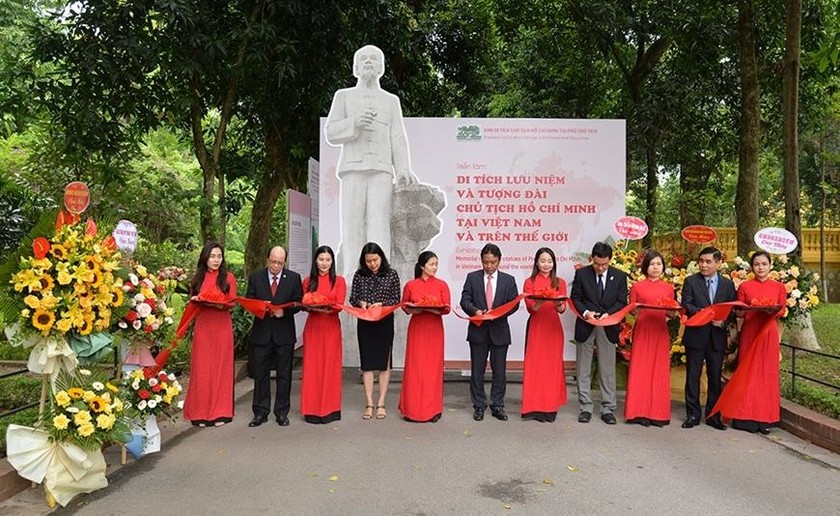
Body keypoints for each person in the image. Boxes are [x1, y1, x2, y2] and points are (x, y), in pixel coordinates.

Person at [325, 44, 417, 278]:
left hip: (381, 169)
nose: (368, 61)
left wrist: (403, 168)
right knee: (352, 225)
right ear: (355, 67)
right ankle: (350, 278)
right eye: (363, 58)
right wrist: (354, 123)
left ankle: (381, 277)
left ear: (382, 67)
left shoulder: (391, 100)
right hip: (352, 168)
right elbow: (331, 132)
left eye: (374, 58)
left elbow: (398, 137)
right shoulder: (343, 96)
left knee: (379, 225)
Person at [724, 251, 787, 434]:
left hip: (768, 333)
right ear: (752, 267)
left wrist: (770, 311)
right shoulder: (745, 286)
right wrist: (743, 311)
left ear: (770, 266)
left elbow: (781, 310)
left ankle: (765, 418)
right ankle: (744, 417)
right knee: (747, 372)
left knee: (766, 375)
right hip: (750, 332)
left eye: (764, 264)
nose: (760, 267)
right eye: (757, 264)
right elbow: (740, 310)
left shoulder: (778, 287)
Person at [459, 243, 520, 422]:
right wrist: (475, 311)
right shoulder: (472, 277)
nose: (489, 266)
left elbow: (514, 303)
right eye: (486, 262)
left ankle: (497, 405)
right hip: (478, 330)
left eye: (493, 262)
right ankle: (479, 405)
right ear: (481, 261)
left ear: (499, 260)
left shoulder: (509, 280)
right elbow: (464, 300)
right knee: (477, 370)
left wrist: (497, 314)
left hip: (499, 330)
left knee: (499, 371)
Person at [570, 241, 628, 425]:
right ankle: (585, 407)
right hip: (586, 324)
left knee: (607, 368)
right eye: (596, 264)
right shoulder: (581, 274)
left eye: (604, 264)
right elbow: (576, 298)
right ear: (591, 259)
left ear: (610, 260)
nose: (600, 268)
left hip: (608, 325)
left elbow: (621, 301)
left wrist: (608, 314)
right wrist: (587, 313)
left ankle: (608, 408)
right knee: (583, 367)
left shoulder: (619, 276)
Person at [245, 246, 303, 427]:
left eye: (280, 262)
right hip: (262, 332)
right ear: (267, 259)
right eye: (273, 261)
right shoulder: (256, 277)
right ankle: (260, 412)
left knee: (284, 374)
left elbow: (299, 302)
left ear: (285, 262)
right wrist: (262, 307)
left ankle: (281, 412)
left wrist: (284, 312)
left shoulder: (293, 278)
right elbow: (249, 301)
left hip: (284, 333)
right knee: (260, 374)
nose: (276, 265)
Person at [680, 246, 737, 430]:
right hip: (696, 336)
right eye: (701, 262)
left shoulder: (727, 284)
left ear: (718, 263)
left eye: (708, 262)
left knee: (714, 378)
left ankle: (713, 415)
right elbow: (687, 305)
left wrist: (723, 321)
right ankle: (693, 415)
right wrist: (708, 314)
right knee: (693, 377)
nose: (704, 265)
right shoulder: (690, 281)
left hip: (716, 337)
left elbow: (732, 310)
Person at [183, 241, 236, 427]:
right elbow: (192, 300)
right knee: (202, 369)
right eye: (212, 256)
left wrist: (219, 303)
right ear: (205, 258)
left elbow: (232, 302)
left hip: (222, 326)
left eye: (219, 256)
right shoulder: (197, 278)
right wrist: (198, 300)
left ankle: (220, 412)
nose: (216, 260)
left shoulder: (228, 277)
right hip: (203, 326)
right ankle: (200, 413)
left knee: (221, 368)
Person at [349, 242, 401, 420]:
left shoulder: (391, 274)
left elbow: (396, 298)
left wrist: (383, 305)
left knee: (384, 363)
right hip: (365, 322)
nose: (372, 264)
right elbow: (353, 297)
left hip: (384, 322)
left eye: (375, 260)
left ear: (381, 258)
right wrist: (361, 303)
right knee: (368, 363)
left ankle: (381, 403)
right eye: (368, 261)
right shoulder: (359, 275)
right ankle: (369, 403)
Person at [624, 250, 676, 427]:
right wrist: (636, 308)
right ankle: (637, 412)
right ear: (646, 266)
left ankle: (658, 413)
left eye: (659, 264)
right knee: (641, 368)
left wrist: (674, 311)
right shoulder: (637, 287)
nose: (655, 267)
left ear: (663, 267)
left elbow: (671, 312)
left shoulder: (669, 288)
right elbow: (631, 309)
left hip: (660, 330)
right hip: (643, 329)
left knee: (659, 369)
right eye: (652, 264)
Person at [399, 251, 451, 423]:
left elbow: (446, 307)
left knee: (433, 369)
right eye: (431, 264)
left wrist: (431, 308)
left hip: (434, 330)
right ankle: (411, 409)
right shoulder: (411, 285)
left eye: (436, 264)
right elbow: (404, 306)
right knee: (415, 368)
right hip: (418, 329)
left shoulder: (442, 285)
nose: (434, 267)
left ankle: (433, 410)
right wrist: (415, 308)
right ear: (422, 266)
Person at [300, 245, 346, 424]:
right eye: (321, 260)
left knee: (330, 368)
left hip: (331, 328)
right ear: (315, 261)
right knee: (313, 368)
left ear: (332, 261)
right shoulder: (307, 281)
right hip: (314, 328)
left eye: (328, 260)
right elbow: (304, 304)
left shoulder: (339, 281)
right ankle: (311, 410)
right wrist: (313, 306)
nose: (324, 263)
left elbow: (339, 305)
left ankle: (330, 409)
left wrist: (325, 307)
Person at [521, 247, 568, 423]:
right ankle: (533, 407)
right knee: (536, 367)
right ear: (536, 262)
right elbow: (531, 309)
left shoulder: (559, 282)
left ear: (554, 263)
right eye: (543, 261)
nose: (546, 264)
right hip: (537, 327)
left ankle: (550, 408)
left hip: (553, 328)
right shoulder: (529, 281)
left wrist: (556, 302)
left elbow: (563, 309)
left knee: (552, 368)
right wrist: (541, 300)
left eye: (549, 261)